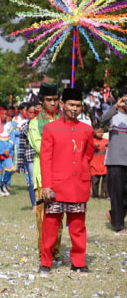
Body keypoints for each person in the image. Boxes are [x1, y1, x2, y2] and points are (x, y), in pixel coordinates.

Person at [39, 88, 94, 273]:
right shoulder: (50, 128)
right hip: (55, 186)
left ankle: (78, 262)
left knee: (78, 226)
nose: (74, 109)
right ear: (62, 105)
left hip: (78, 186)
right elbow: (45, 159)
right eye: (71, 104)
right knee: (50, 225)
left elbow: (88, 155)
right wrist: (46, 185)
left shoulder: (87, 130)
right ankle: (46, 261)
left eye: (78, 105)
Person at [28, 82, 64, 261]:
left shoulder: (65, 121)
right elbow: (41, 147)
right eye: (49, 100)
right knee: (43, 218)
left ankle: (56, 252)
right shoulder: (34, 124)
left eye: (56, 100)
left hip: (63, 176)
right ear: (41, 101)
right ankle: (45, 253)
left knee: (59, 217)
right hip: (42, 177)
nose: (53, 103)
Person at [100, 87, 127, 234]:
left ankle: (115, 214)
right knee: (116, 194)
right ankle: (118, 225)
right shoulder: (114, 116)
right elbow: (101, 120)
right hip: (115, 160)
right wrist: (116, 106)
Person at [90, 125, 108, 199]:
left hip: (104, 165)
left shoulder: (106, 141)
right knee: (95, 182)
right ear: (94, 132)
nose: (100, 133)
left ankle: (107, 195)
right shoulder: (91, 141)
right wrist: (93, 147)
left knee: (106, 181)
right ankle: (95, 195)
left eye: (102, 132)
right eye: (98, 132)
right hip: (94, 165)